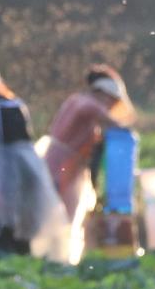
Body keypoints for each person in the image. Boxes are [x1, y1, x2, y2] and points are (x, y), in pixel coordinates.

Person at [0, 62, 71, 261]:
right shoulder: (15, 102)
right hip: (30, 161)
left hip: (4, 162)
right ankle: (26, 252)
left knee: (3, 210)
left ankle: (4, 253)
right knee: (27, 209)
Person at [44, 64, 137, 262]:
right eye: (110, 100)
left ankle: (60, 256)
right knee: (58, 213)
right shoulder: (87, 104)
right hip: (62, 164)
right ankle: (54, 256)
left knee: (64, 213)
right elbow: (115, 123)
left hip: (66, 164)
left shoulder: (77, 102)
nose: (110, 105)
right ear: (103, 94)